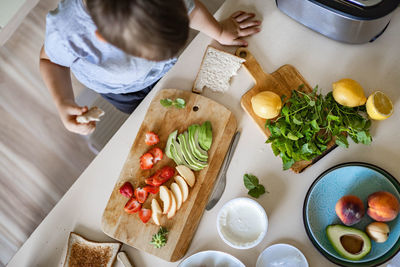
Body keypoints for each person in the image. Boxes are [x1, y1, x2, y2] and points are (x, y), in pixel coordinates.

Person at [39, 0, 261, 135]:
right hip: (124, 92)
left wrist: (220, 31)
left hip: (167, 72)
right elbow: (50, 61)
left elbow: (190, 9)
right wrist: (64, 103)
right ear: (103, 37)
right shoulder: (67, 30)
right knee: (155, 117)